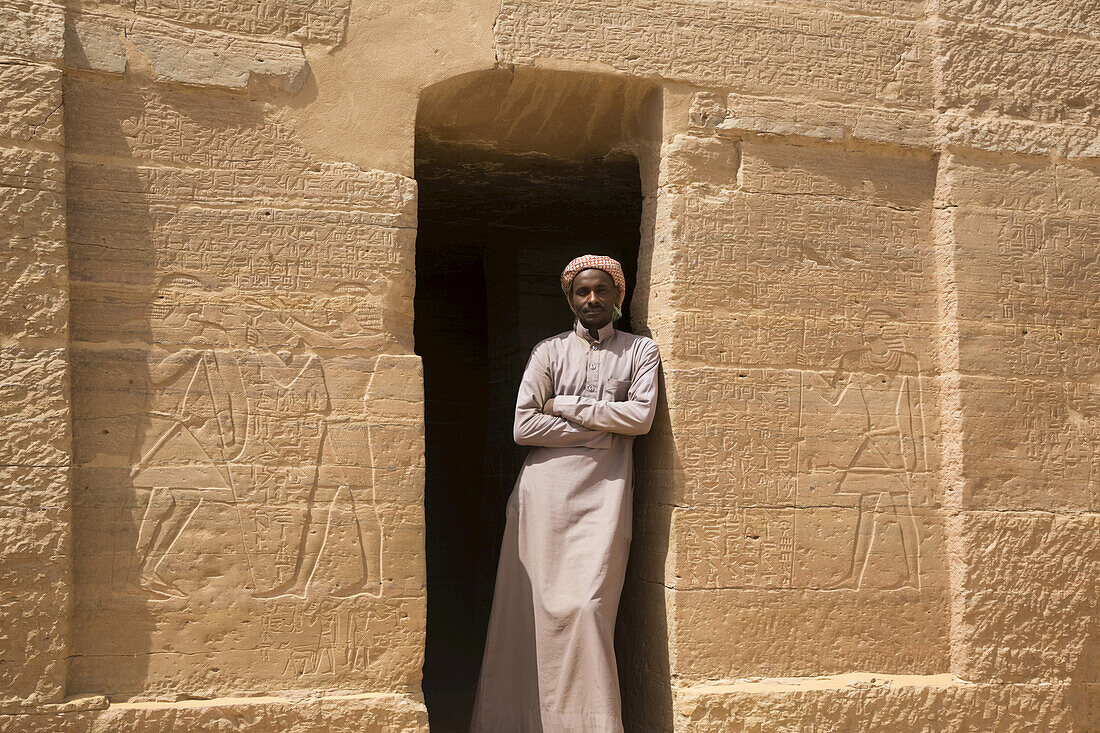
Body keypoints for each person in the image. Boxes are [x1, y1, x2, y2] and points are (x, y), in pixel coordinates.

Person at [470, 254, 661, 732]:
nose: (591, 299)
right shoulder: (548, 352)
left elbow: (640, 419)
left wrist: (567, 404)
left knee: (586, 608)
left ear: (618, 296)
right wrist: (602, 426)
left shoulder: (641, 352)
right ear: (570, 299)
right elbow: (524, 426)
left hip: (604, 496)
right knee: (528, 610)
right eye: (581, 292)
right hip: (544, 498)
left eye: (601, 291)